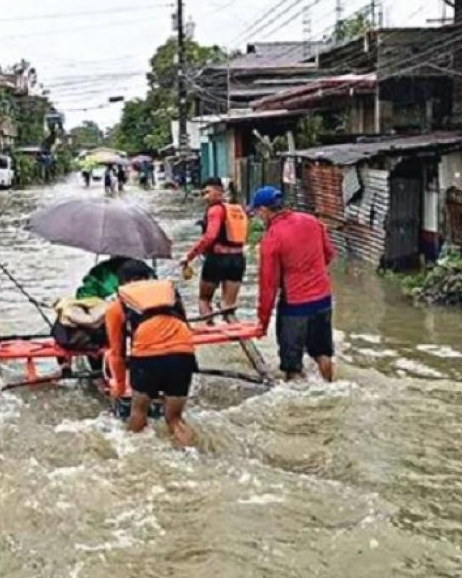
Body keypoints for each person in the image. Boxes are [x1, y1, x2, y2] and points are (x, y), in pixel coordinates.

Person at [105, 260, 198, 448]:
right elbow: (185, 325)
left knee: (138, 412)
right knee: (174, 418)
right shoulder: (172, 295)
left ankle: (131, 456)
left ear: (123, 283)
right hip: (183, 355)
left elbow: (117, 353)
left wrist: (120, 388)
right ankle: (193, 455)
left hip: (147, 357)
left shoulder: (117, 305)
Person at [251, 186, 337, 383]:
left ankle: (296, 409)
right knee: (323, 354)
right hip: (323, 300)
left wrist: (262, 322)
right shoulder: (312, 221)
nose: (258, 217)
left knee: (292, 366)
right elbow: (329, 254)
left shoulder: (271, 238)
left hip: (295, 307)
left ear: (264, 210)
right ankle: (329, 386)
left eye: (257, 212)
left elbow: (268, 286)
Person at [182, 178, 249, 322]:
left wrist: (189, 256)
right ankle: (233, 335)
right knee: (228, 305)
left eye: (207, 192)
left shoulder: (215, 210)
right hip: (238, 259)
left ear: (218, 191)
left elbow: (210, 236)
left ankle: (209, 328)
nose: (205, 197)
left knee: (204, 299)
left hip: (217, 260)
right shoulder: (236, 209)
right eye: (203, 193)